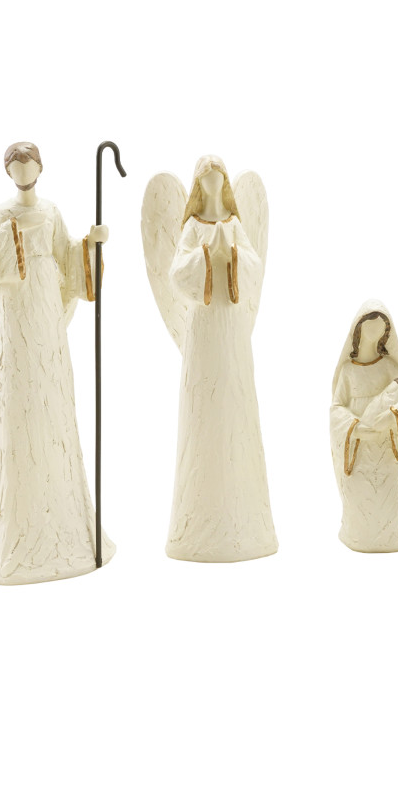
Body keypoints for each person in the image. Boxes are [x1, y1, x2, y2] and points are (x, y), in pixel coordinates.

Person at [0, 142, 113, 583]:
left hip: (46, 307)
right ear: (8, 172)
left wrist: (92, 246)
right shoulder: (1, 215)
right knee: (21, 402)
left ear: (39, 169)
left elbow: (69, 257)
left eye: (28, 165)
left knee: (52, 401)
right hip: (16, 310)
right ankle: (22, 529)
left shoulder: (50, 212)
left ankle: (67, 522)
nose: (23, 173)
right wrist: (3, 246)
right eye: (16, 167)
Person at [142, 155, 277, 561]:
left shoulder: (235, 224)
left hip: (231, 326)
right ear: (199, 185)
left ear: (226, 184)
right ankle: (198, 522)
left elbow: (252, 267)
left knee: (234, 404)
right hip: (203, 328)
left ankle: (244, 520)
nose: (214, 183)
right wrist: (206, 254)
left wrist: (230, 253)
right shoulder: (192, 227)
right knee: (206, 407)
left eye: (219, 177)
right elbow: (176, 273)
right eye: (207, 178)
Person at [329, 301, 398, 552]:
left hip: (385, 447)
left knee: (387, 494)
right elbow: (336, 408)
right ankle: (357, 534)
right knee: (361, 496)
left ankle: (392, 534)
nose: (376, 330)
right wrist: (355, 428)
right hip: (359, 447)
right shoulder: (347, 371)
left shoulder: (389, 367)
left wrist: (393, 416)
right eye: (371, 324)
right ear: (358, 328)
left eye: (381, 326)